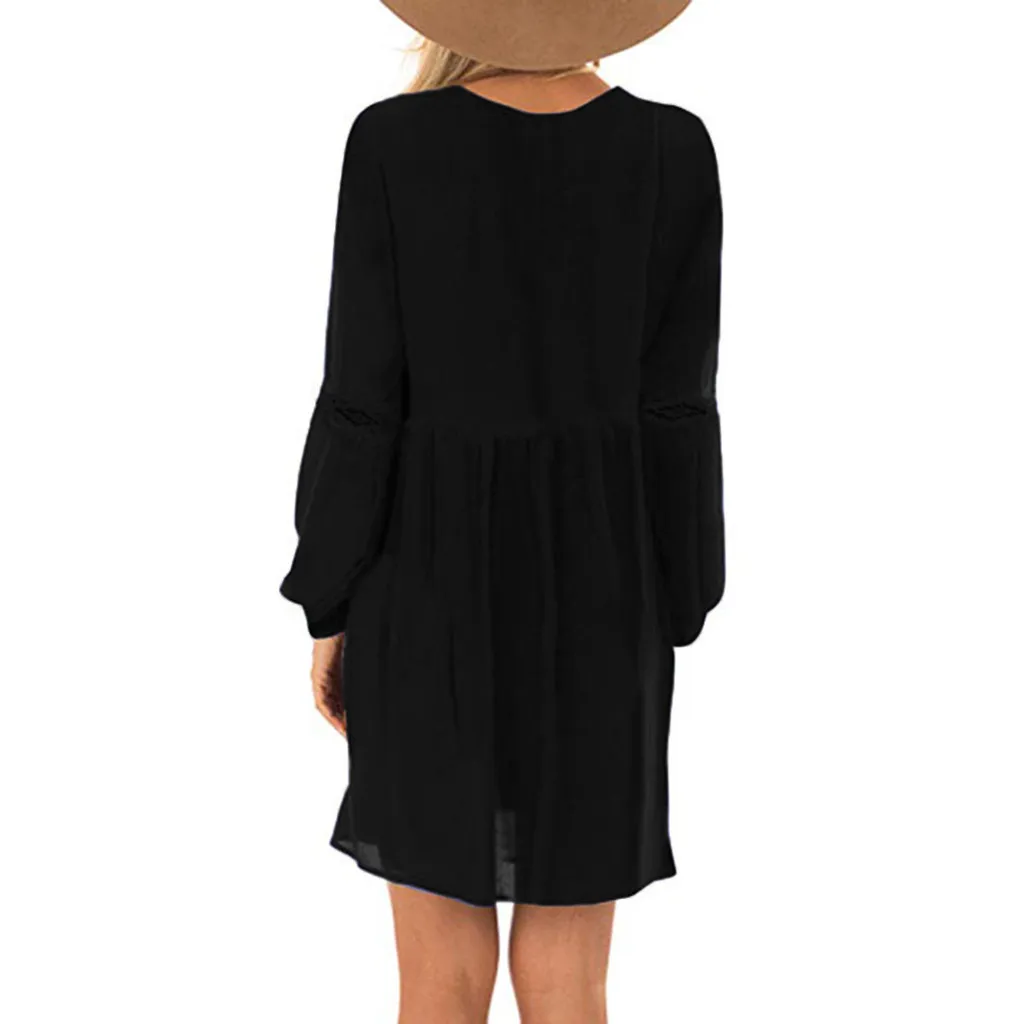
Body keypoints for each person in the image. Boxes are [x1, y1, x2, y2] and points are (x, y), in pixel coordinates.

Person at [280, 36, 725, 1024]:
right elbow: (679, 409)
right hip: (605, 592)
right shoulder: (671, 148)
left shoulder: (393, 142)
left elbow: (361, 400)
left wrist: (329, 595)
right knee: (573, 985)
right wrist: (681, 592)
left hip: (422, 586)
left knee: (436, 984)